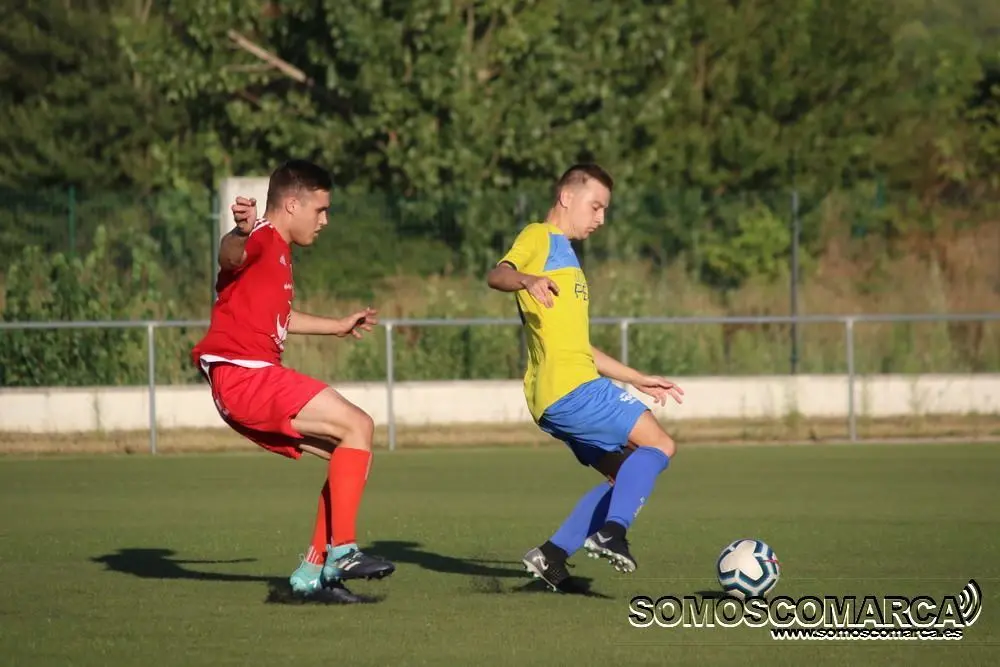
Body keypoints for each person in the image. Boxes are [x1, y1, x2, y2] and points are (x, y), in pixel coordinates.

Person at [191, 159, 394, 601]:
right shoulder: (261, 237)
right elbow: (229, 255)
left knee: (350, 454)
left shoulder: (279, 252)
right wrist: (240, 231)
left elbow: (278, 317)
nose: (325, 220)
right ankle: (343, 551)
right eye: (320, 210)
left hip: (247, 379)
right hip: (245, 375)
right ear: (292, 204)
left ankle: (312, 574)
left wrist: (337, 326)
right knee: (358, 424)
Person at [486, 163, 685, 592]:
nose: (601, 218)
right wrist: (525, 279)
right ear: (566, 197)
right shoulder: (540, 237)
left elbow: (580, 347)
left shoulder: (568, 259)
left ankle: (552, 555)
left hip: (556, 395)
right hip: (573, 389)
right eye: (596, 207)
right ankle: (612, 532)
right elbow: (497, 274)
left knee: (626, 475)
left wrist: (637, 378)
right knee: (661, 445)